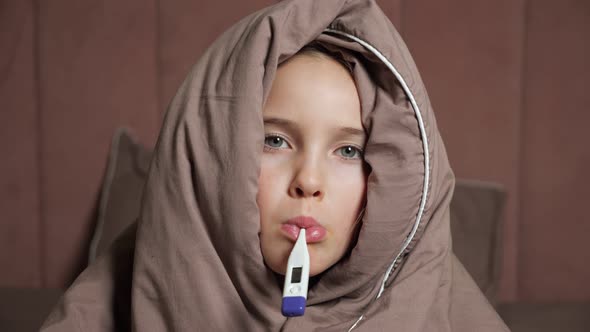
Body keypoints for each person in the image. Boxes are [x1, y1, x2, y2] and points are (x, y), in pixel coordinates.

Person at [42, 0, 509, 331]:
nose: (308, 181)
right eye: (275, 140)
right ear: (216, 153)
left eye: (348, 151)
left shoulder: (440, 298)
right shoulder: (116, 287)